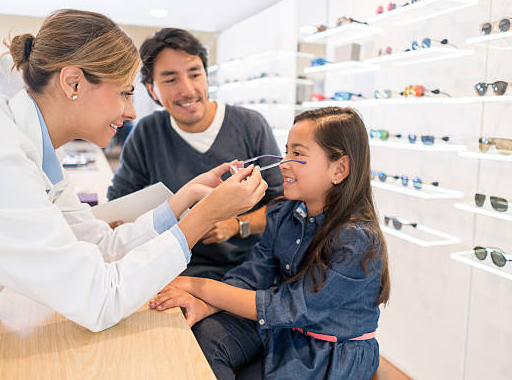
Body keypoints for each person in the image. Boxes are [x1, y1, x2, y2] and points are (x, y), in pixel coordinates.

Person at [0, 9, 267, 332]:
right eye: (124, 93)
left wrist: (184, 200)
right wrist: (203, 216)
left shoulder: (35, 150)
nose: (132, 112)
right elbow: (98, 299)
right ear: (73, 81)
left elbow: (101, 247)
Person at [149, 107, 391, 380]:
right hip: (285, 332)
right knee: (208, 335)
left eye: (297, 154)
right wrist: (205, 305)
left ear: (340, 168)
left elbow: (289, 307)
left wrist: (197, 285)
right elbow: (252, 276)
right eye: (286, 151)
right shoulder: (283, 214)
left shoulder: (356, 239)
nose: (283, 163)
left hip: (328, 356)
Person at [107, 28, 284, 280]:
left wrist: (235, 226)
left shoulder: (250, 125)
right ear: (152, 89)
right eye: (170, 79)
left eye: (195, 74)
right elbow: (121, 202)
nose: (188, 90)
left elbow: (283, 205)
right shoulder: (148, 132)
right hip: (171, 267)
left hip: (246, 268)